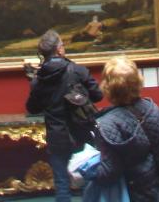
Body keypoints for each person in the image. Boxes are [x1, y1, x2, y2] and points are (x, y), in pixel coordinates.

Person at [25, 29, 103, 202]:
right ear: (59, 49)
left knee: (61, 184)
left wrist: (35, 84)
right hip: (82, 133)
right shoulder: (78, 71)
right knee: (89, 180)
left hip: (57, 135)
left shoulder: (39, 80)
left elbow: (32, 108)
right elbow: (98, 95)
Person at [88, 55, 159, 202]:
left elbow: (110, 173)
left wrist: (87, 172)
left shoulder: (107, 124)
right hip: (157, 192)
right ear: (137, 81)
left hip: (127, 194)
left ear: (108, 87)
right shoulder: (156, 111)